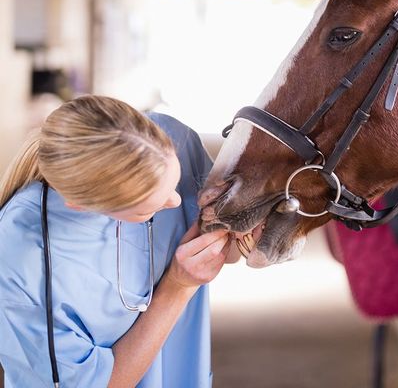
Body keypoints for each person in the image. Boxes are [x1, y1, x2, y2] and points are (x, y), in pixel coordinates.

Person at [0, 95, 234, 388]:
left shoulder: (176, 140)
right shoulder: (21, 258)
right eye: (147, 208)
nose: (176, 201)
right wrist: (178, 287)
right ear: (81, 204)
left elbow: (233, 246)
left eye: (175, 184)